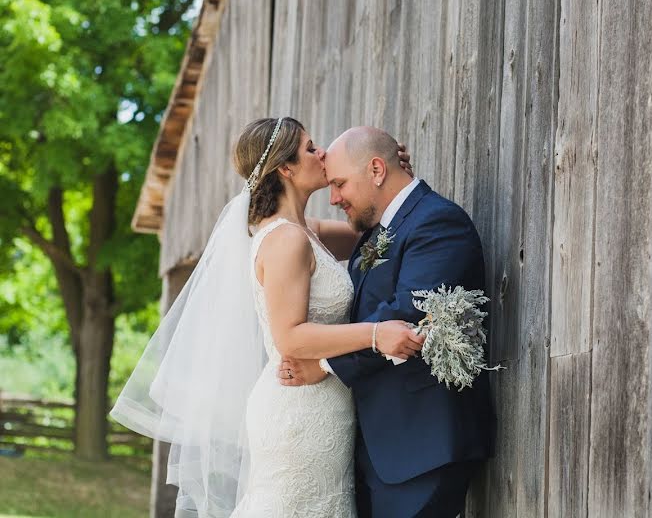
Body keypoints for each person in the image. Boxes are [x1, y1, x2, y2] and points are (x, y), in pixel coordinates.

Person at [111, 117, 424, 517]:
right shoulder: (286, 240)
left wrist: (393, 177)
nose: (323, 153)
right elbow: (289, 338)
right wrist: (377, 333)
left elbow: (380, 235)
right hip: (298, 411)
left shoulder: (306, 230)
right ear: (286, 168)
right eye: (311, 148)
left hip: (325, 404)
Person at [278, 126, 496, 518]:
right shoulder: (376, 231)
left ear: (377, 170)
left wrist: (325, 364)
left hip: (422, 448)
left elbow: (406, 317)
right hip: (378, 447)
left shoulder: (437, 223)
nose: (335, 198)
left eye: (341, 184)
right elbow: (281, 232)